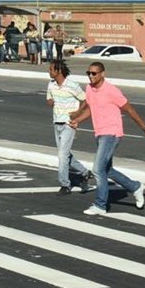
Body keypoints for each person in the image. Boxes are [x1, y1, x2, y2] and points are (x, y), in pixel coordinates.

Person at [68, 61, 145, 215]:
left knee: (97, 169)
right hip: (100, 133)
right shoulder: (89, 88)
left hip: (112, 133)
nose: (90, 76)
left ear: (102, 74)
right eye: (88, 73)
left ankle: (100, 205)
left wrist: (144, 128)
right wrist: (77, 120)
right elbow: (91, 109)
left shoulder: (111, 91)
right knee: (106, 170)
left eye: (94, 73)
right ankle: (135, 187)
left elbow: (129, 109)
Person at [46, 60, 93, 194]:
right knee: (64, 154)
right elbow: (49, 100)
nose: (49, 72)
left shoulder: (72, 85)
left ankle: (65, 185)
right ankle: (85, 172)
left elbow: (85, 100)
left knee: (62, 154)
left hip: (69, 124)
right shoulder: (51, 85)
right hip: (57, 122)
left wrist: (78, 113)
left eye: (51, 69)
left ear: (59, 71)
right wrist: (50, 102)